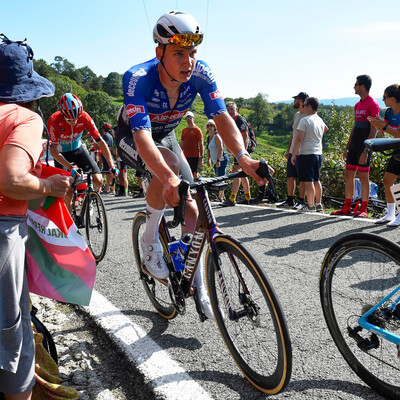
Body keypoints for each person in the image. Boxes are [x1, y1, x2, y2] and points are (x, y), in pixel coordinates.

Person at [116, 10, 265, 320]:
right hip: (133, 135)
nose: (188, 61)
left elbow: (221, 117)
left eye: (193, 53)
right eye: (179, 53)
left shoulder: (200, 73)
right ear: (160, 52)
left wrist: (243, 157)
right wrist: (168, 179)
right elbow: (142, 138)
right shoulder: (138, 78)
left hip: (167, 134)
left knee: (194, 211)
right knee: (168, 167)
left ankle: (198, 286)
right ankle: (148, 244)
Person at [0, 34, 71, 400]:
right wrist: (48, 187)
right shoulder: (23, 117)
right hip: (3, 228)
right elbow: (12, 180)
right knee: (11, 336)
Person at [47, 93, 117, 203]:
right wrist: (70, 167)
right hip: (61, 154)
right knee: (68, 192)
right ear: (62, 114)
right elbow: (54, 151)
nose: (74, 122)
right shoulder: (54, 120)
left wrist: (111, 164)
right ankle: (70, 219)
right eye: (69, 120)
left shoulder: (84, 117)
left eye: (76, 119)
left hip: (78, 150)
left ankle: (82, 202)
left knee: (98, 180)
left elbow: (101, 143)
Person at [331, 75, 380, 218]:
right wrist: (347, 147)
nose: (354, 87)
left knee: (364, 177)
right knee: (348, 176)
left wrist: (366, 150)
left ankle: (363, 209)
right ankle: (347, 207)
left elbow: (374, 129)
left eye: (356, 84)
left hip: (365, 147)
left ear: (362, 86)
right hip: (354, 146)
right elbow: (355, 127)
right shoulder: (357, 105)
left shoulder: (372, 103)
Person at [368, 84, 400, 226]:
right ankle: (391, 214)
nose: (383, 100)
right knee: (387, 181)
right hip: (398, 148)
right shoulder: (388, 112)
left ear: (392, 98)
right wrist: (378, 126)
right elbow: (384, 132)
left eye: (384, 97)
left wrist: (383, 127)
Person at [291, 97, 328, 212]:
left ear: (310, 106)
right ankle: (318, 204)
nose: (303, 107)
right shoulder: (320, 120)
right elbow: (325, 128)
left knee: (308, 181)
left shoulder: (305, 120)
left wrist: (294, 154)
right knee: (317, 180)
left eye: (305, 105)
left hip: (307, 153)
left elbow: (299, 138)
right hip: (318, 152)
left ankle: (310, 205)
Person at [276, 92, 308, 209]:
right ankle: (289, 200)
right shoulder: (296, 115)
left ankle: (301, 201)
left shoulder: (309, 115)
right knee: (290, 176)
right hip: (292, 152)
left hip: (303, 152)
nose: (294, 101)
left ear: (300, 100)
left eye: (295, 99)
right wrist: (288, 150)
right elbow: (293, 134)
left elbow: (324, 128)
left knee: (302, 178)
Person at [222, 101, 252, 206]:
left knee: (236, 170)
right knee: (243, 171)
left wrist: (242, 153)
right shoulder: (231, 120)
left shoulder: (239, 120)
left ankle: (232, 198)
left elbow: (245, 137)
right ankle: (247, 196)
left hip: (243, 149)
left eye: (232, 109)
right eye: (228, 110)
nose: (230, 111)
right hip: (238, 149)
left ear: (236, 109)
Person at [206, 119, 229, 201]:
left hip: (221, 160)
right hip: (215, 160)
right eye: (208, 126)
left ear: (215, 127)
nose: (210, 127)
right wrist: (208, 160)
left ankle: (220, 197)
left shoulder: (217, 136)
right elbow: (208, 150)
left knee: (221, 178)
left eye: (211, 125)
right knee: (218, 177)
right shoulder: (209, 138)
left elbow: (221, 149)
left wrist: (218, 160)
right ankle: (222, 196)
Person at [180, 111, 203, 179]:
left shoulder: (197, 130)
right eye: (187, 117)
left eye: (190, 117)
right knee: (186, 173)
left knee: (194, 173)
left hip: (195, 156)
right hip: (185, 155)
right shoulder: (184, 130)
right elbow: (182, 144)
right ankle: (190, 188)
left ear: (193, 118)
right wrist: (180, 155)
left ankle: (196, 188)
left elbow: (201, 145)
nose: (189, 119)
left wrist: (201, 157)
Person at [112, 125, 129, 197]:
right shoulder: (121, 137)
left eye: (113, 132)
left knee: (122, 176)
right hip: (123, 159)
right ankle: (124, 190)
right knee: (122, 175)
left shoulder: (119, 138)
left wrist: (117, 155)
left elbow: (119, 149)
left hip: (121, 159)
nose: (113, 134)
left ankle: (124, 191)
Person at [101, 122, 115, 194]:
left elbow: (104, 146)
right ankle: (112, 189)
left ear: (103, 128)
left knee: (108, 173)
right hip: (109, 156)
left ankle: (108, 189)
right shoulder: (110, 136)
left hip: (106, 156)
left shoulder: (105, 136)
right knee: (108, 172)